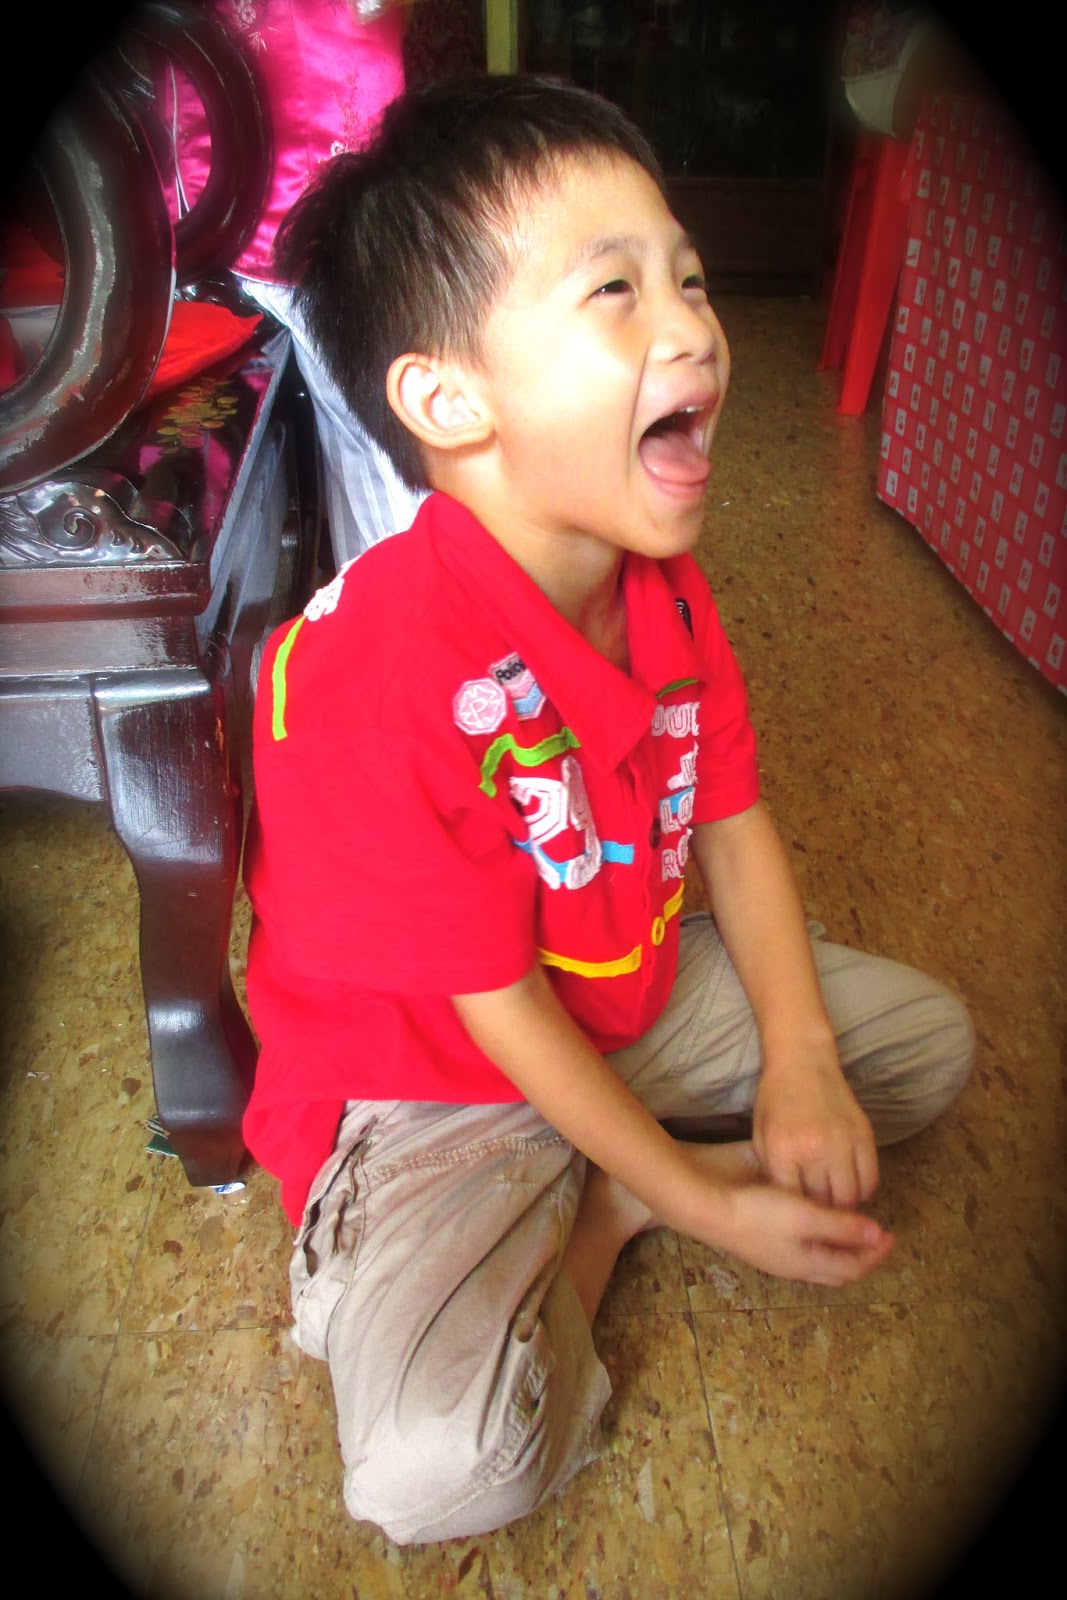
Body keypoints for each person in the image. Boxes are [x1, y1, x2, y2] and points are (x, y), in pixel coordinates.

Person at [242, 75, 975, 1546]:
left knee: (920, 1053)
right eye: (615, 292)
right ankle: (611, 1202)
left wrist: (799, 1057)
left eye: (685, 277)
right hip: (434, 1081)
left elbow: (732, 823)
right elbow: (494, 1005)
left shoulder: (661, 586)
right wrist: (695, 1201)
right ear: (450, 402)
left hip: (612, 986)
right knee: (438, 1468)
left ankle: (622, 1155)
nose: (692, 327)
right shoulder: (373, 674)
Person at [165, 0, 427, 563]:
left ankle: (411, 591)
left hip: (295, 210)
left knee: (381, 430)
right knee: (372, 428)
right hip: (243, 202)